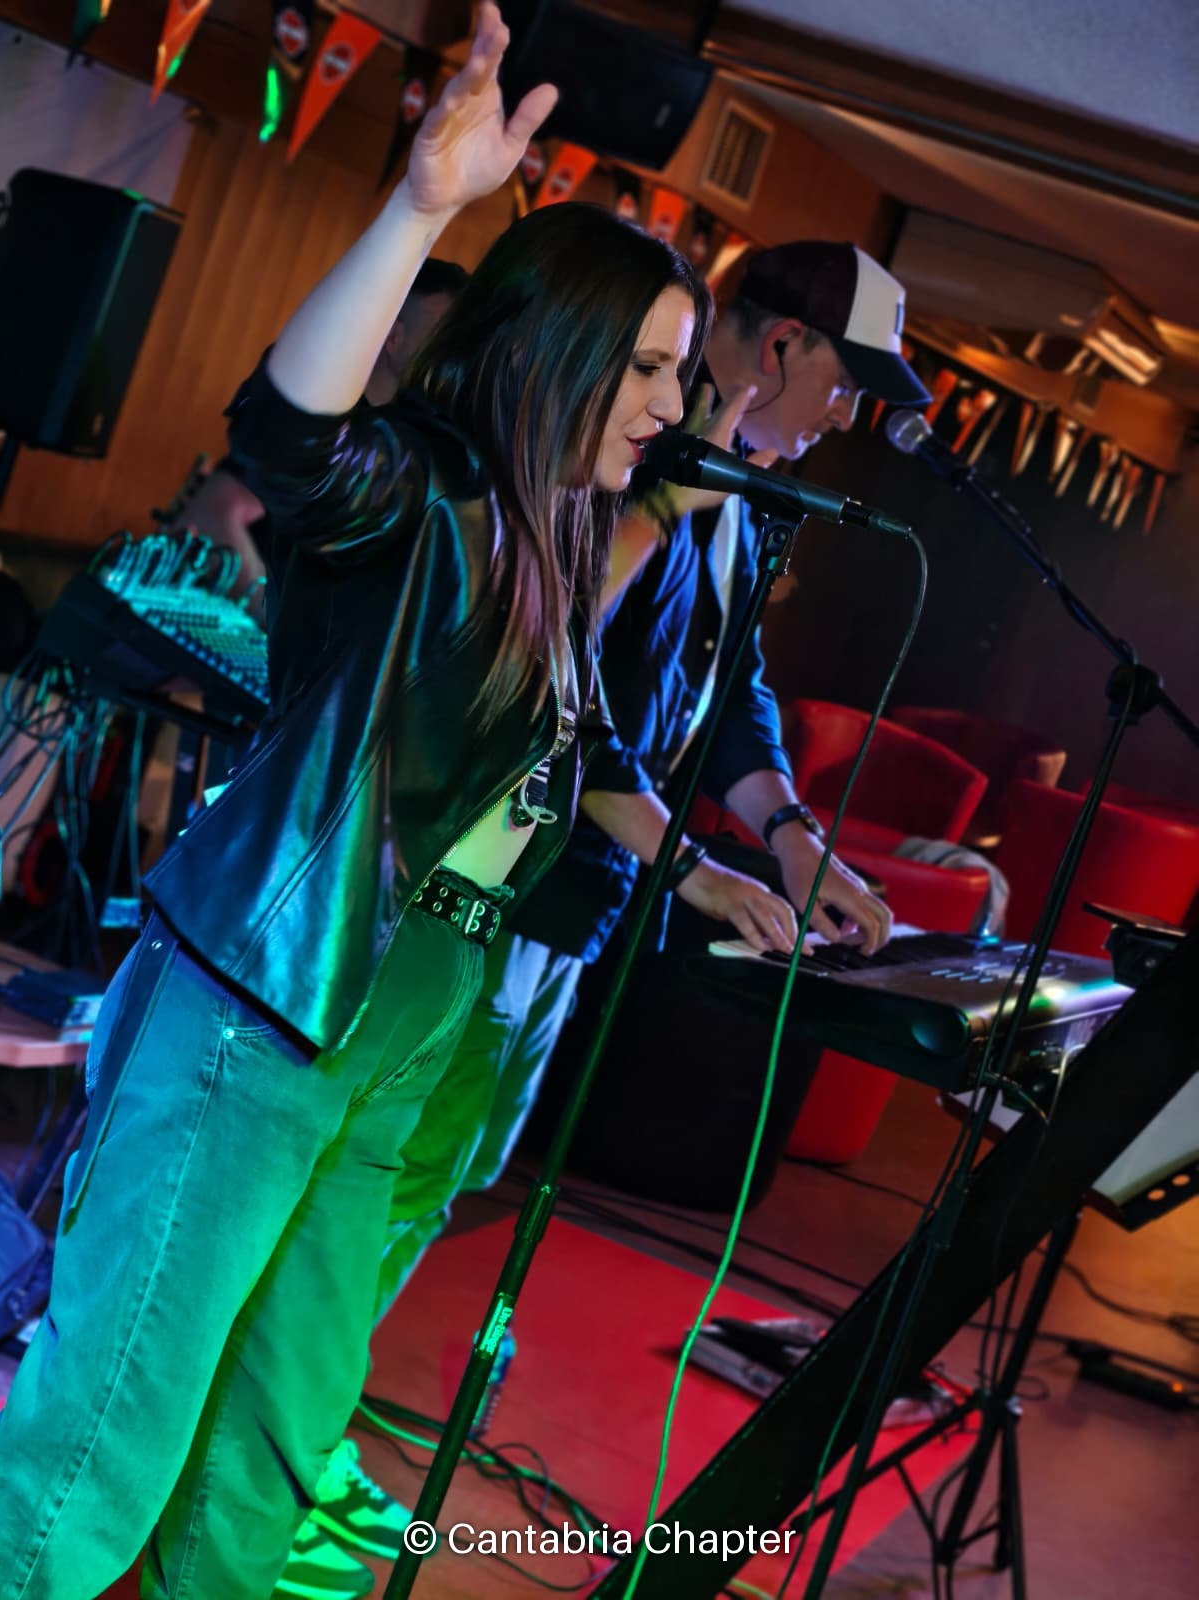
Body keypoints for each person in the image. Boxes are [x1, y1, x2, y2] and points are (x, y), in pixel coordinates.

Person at [0, 10, 719, 1598]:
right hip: (274, 984)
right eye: (650, 368)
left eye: (684, 371)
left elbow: (545, 759)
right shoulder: (429, 485)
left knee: (273, 1432)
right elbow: (288, 433)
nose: (676, 404)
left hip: (420, 993)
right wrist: (418, 207)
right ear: (565, 352)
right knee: (113, 1425)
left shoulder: (562, 526)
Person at [292, 246, 933, 1593]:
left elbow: (732, 696)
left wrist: (791, 835)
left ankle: (295, 1431)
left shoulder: (734, 504)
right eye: (846, 382)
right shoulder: (621, 475)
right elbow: (549, 688)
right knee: (376, 1179)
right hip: (496, 884)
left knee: (431, 1178)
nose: (847, 416)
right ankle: (279, 1450)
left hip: (574, 905)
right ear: (781, 347)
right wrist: (692, 863)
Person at [164, 257, 470, 594]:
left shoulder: (407, 439)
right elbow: (216, 511)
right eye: (441, 335)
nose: (450, 355)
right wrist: (271, 616)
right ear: (393, 336)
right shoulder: (327, 419)